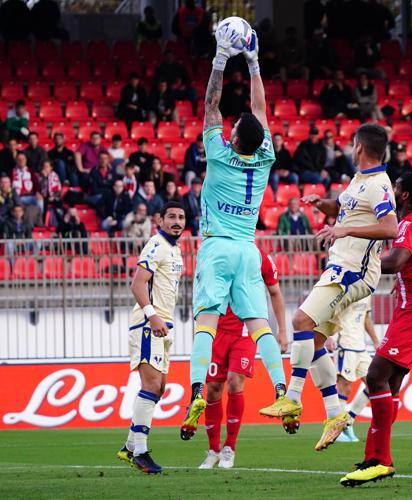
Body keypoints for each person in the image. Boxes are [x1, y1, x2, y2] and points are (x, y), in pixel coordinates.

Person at [258, 123, 398, 452]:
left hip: (353, 272)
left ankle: (291, 398)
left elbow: (390, 228)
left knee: (299, 322)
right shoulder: (360, 180)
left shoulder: (379, 184)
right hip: (339, 267)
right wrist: (324, 205)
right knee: (315, 341)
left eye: (352, 144)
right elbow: (347, 210)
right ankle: (335, 413)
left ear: (359, 148)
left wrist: (345, 232)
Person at [181, 26, 282, 443]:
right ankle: (283, 391)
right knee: (258, 324)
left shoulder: (219, 155)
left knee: (205, 320)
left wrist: (221, 59)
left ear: (233, 137)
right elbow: (260, 110)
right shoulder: (265, 158)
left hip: (217, 247)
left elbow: (210, 105)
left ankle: (195, 394)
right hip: (248, 249)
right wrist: (255, 63)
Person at [340, 173, 412, 487]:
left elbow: (393, 262)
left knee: (375, 375)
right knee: (389, 386)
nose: (391, 192)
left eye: (395, 189)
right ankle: (376, 458)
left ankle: (380, 460)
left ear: (404, 196)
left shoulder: (408, 224)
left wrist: (363, 259)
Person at [200, 249, 287, 469]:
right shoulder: (217, 253)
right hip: (217, 330)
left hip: (246, 330)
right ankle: (213, 450)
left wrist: (282, 331)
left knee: (235, 381)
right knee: (212, 389)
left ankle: (229, 447)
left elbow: (275, 292)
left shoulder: (261, 257)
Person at [116, 202, 186, 474]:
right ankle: (141, 452)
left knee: (159, 388)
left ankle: (130, 446)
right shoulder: (156, 244)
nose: (177, 221)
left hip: (163, 324)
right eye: (171, 217)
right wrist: (152, 315)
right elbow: (137, 283)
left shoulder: (175, 249)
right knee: (151, 383)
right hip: (149, 323)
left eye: (181, 217)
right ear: (160, 219)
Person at [328, 297, 379, 443]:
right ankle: (337, 430)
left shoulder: (368, 290)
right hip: (344, 344)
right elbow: (330, 312)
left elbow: (366, 317)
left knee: (374, 383)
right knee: (345, 386)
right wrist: (329, 336)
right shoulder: (346, 286)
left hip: (360, 347)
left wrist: (375, 340)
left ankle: (348, 421)